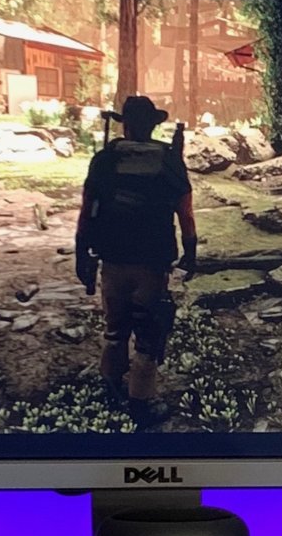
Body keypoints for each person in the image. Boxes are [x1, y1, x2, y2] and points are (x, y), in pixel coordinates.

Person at [75, 96, 198, 427]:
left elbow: (87, 210)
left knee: (115, 329)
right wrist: (190, 249)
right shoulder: (168, 160)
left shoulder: (105, 159)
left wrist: (81, 252)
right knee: (148, 333)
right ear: (153, 126)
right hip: (152, 263)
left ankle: (111, 385)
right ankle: (140, 403)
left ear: (124, 125)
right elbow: (185, 211)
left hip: (112, 259)